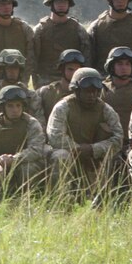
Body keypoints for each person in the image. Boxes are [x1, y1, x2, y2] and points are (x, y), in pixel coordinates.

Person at [46, 67, 124, 196]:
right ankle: (60, 198)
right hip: (70, 153)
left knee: (116, 158)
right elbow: (55, 136)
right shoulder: (63, 107)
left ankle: (106, 197)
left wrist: (94, 149)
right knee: (60, 156)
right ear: (76, 90)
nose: (91, 95)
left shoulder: (105, 109)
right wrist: (79, 150)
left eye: (95, 92)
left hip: (94, 156)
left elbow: (118, 139)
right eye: (87, 91)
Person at [0, 86, 46, 199]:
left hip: (23, 165)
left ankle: (29, 199)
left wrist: (14, 159)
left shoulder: (32, 124)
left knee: (29, 168)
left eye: (18, 105)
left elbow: (36, 150)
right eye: (10, 106)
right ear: (2, 107)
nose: (15, 110)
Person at [31, 0, 92, 87]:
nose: (61, 5)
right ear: (51, 3)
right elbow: (33, 62)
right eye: (58, 2)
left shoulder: (79, 29)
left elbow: (87, 60)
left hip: (72, 82)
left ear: (69, 4)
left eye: (64, 2)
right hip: (45, 83)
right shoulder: (40, 30)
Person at [0, 48, 42, 124]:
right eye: (9, 68)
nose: (13, 72)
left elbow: (40, 122)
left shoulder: (31, 96)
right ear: (2, 70)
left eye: (16, 69)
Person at [36, 49, 86, 134]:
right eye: (70, 69)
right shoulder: (45, 92)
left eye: (78, 70)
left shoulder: (87, 94)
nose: (74, 73)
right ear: (62, 70)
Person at [101, 46, 132, 143]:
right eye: (119, 64)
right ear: (111, 66)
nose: (124, 68)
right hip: (109, 140)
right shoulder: (102, 90)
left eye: (127, 64)